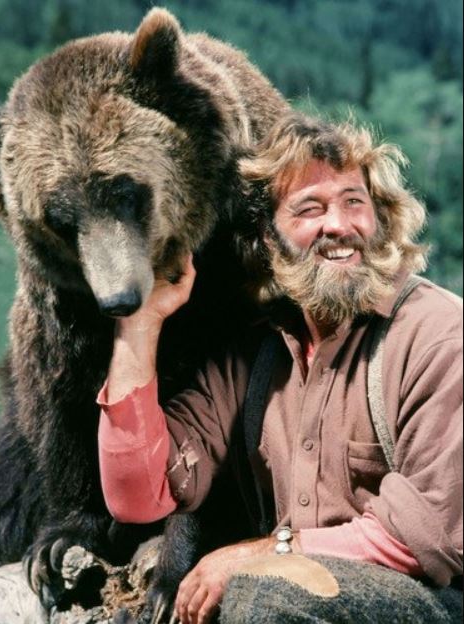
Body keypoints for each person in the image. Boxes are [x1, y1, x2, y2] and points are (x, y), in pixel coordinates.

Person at [99, 114, 463, 624]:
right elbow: (139, 495)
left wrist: (269, 552)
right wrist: (139, 325)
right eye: (310, 209)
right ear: (268, 239)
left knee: (265, 594)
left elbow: (426, 538)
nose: (338, 225)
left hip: (437, 601)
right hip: (310, 605)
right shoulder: (257, 354)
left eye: (354, 202)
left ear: (380, 218)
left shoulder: (439, 336)